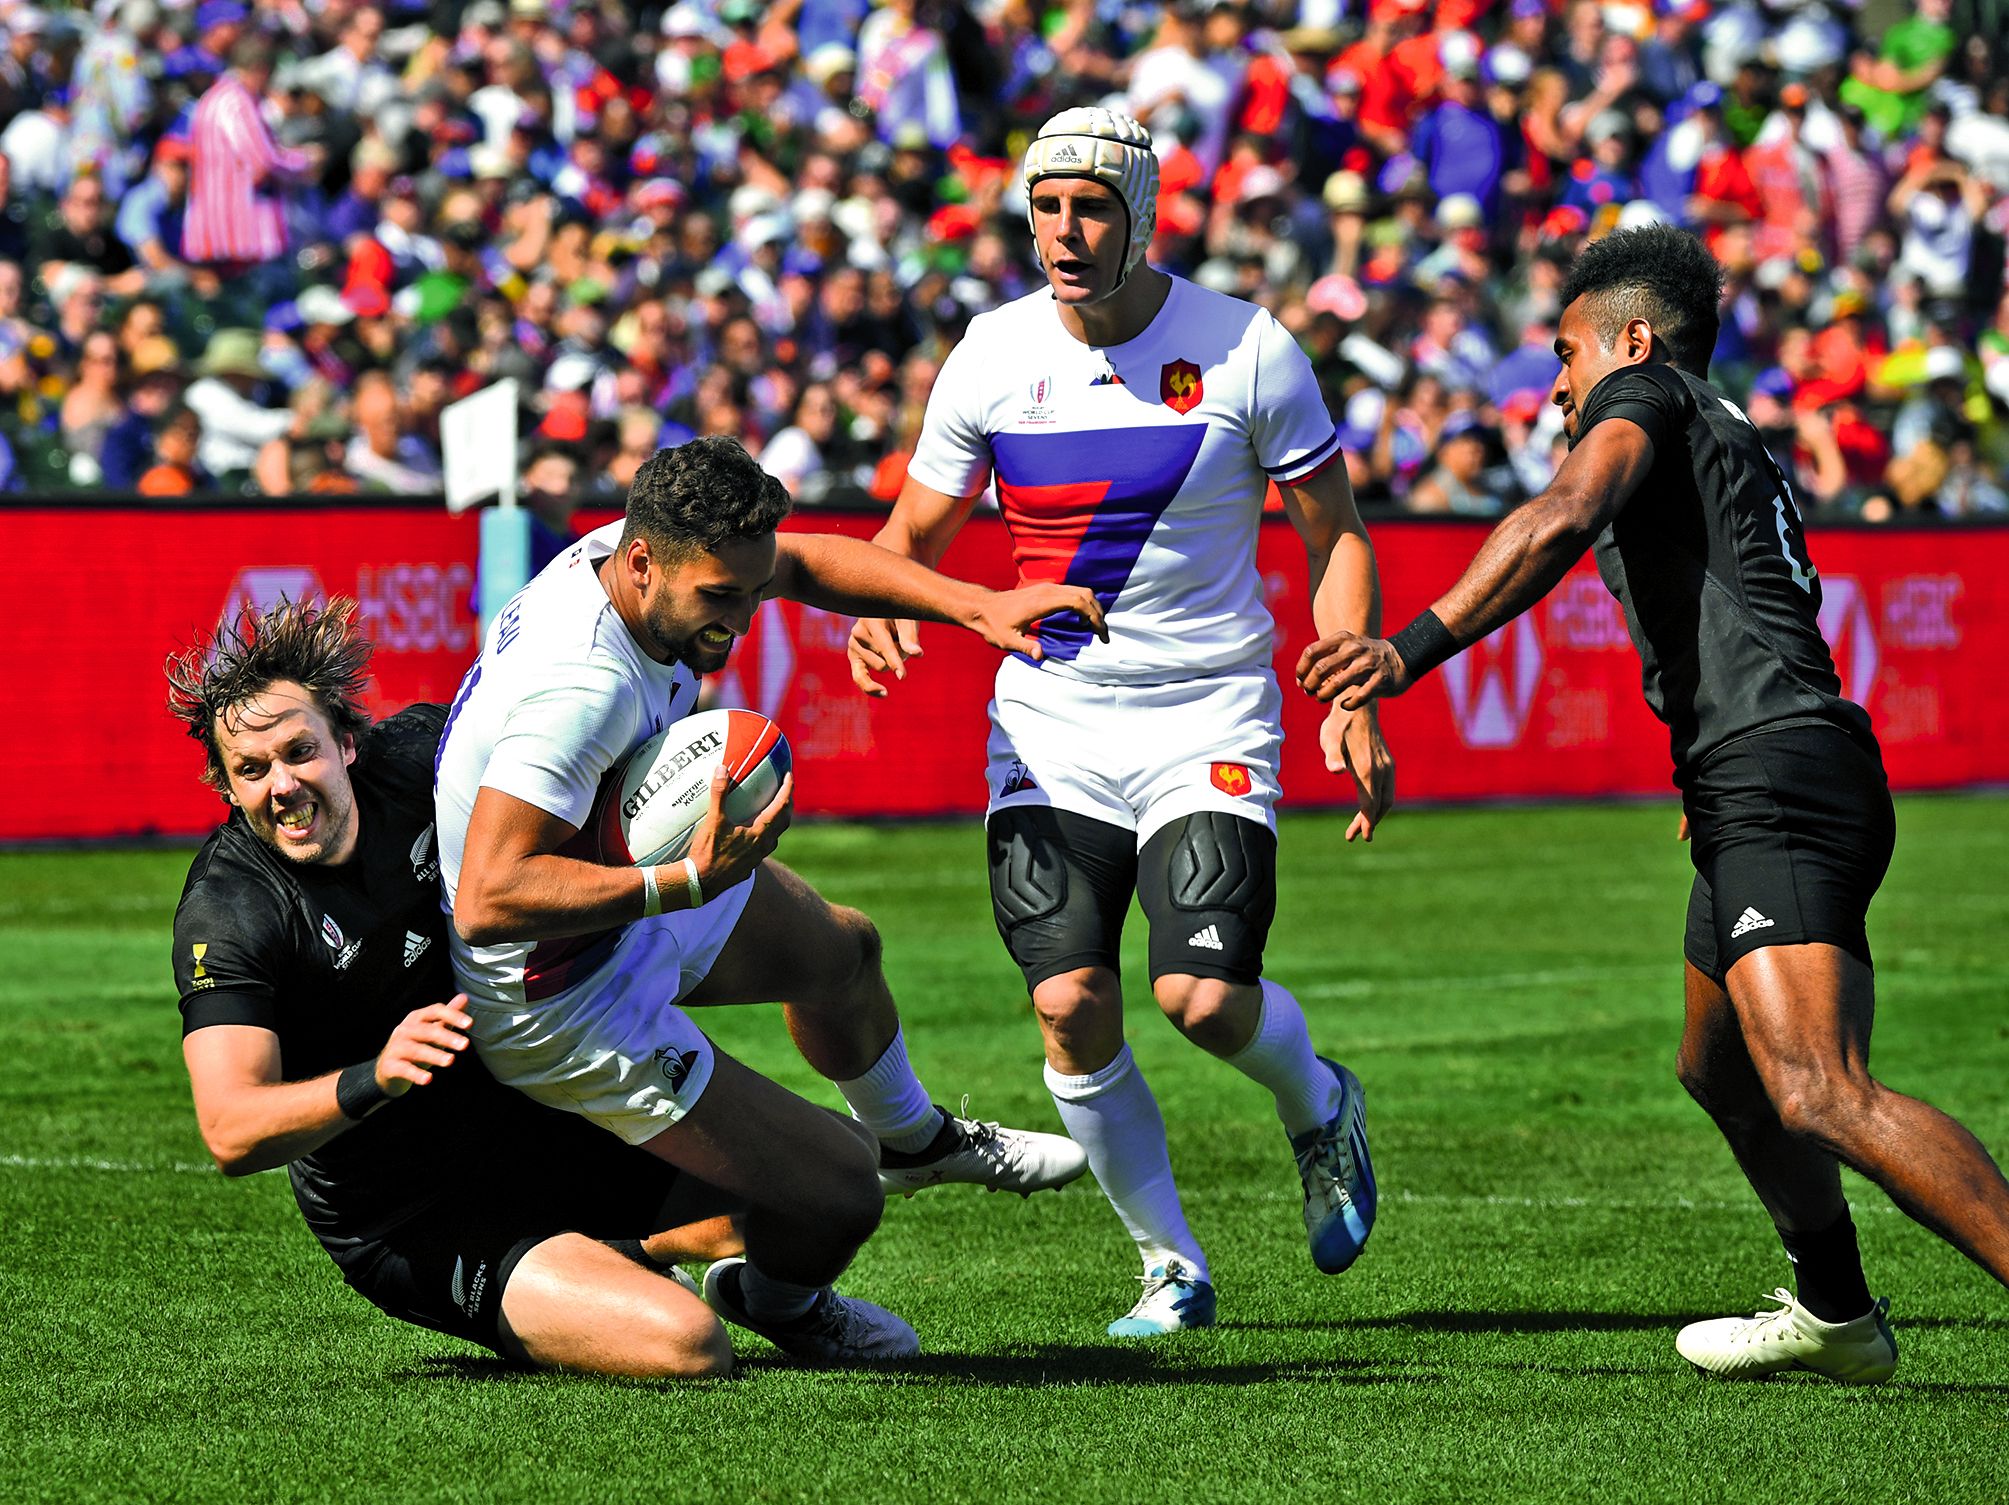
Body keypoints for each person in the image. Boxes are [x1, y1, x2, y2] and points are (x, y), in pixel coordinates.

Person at [1296, 224, 2009, 1384]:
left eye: (1566, 355)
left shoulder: (1645, 393)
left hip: (1769, 774)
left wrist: (1404, 650)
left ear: (1630, 338)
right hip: (1760, 773)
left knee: (1817, 1086)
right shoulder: (1730, 430)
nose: (1557, 385)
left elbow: (1561, 516)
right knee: (1718, 1067)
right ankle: (1833, 1308)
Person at [847, 108, 1393, 1338]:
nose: (1062, 232)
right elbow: (910, 541)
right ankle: (1170, 1266)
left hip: (1207, 708)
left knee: (1201, 998)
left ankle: (1316, 1099)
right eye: (1043, 208)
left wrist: (1352, 688)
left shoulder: (1249, 349)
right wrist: (883, 607)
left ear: (1140, 212)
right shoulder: (988, 355)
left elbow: (1335, 535)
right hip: (1048, 725)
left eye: (1088, 206)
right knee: (1067, 1002)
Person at [433, 435, 1099, 1360]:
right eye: (720, 597)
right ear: (639, 564)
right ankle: (776, 1298)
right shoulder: (579, 684)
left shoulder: (640, 561)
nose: (741, 620)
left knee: (842, 953)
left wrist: (973, 606)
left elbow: (807, 560)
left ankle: (912, 1137)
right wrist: (687, 882)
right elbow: (488, 897)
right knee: (841, 1194)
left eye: (749, 592)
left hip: (619, 902)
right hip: (556, 992)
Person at [166, 599, 795, 1379]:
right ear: (228, 789)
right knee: (687, 1344)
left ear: (348, 743)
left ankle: (686, 1274)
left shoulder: (426, 757)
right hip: (414, 1213)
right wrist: (375, 1076)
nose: (283, 786)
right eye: (252, 771)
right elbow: (231, 1128)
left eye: (300, 752)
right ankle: (606, 1265)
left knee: (793, 1200)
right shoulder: (229, 910)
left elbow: (570, 761)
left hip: (531, 1112)